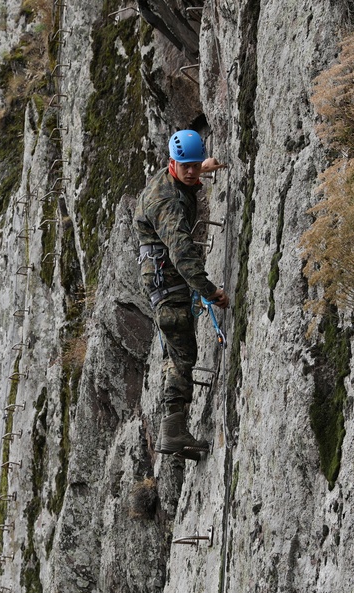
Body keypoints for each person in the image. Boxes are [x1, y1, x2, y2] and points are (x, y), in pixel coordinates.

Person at [133, 129, 230, 460]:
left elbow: (191, 169)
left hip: (164, 280)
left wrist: (206, 166)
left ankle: (174, 432)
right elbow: (183, 255)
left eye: (195, 165)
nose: (191, 172)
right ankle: (173, 432)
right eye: (184, 166)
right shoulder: (168, 203)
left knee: (180, 354)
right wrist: (211, 291)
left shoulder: (175, 178)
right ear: (171, 163)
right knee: (182, 356)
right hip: (169, 285)